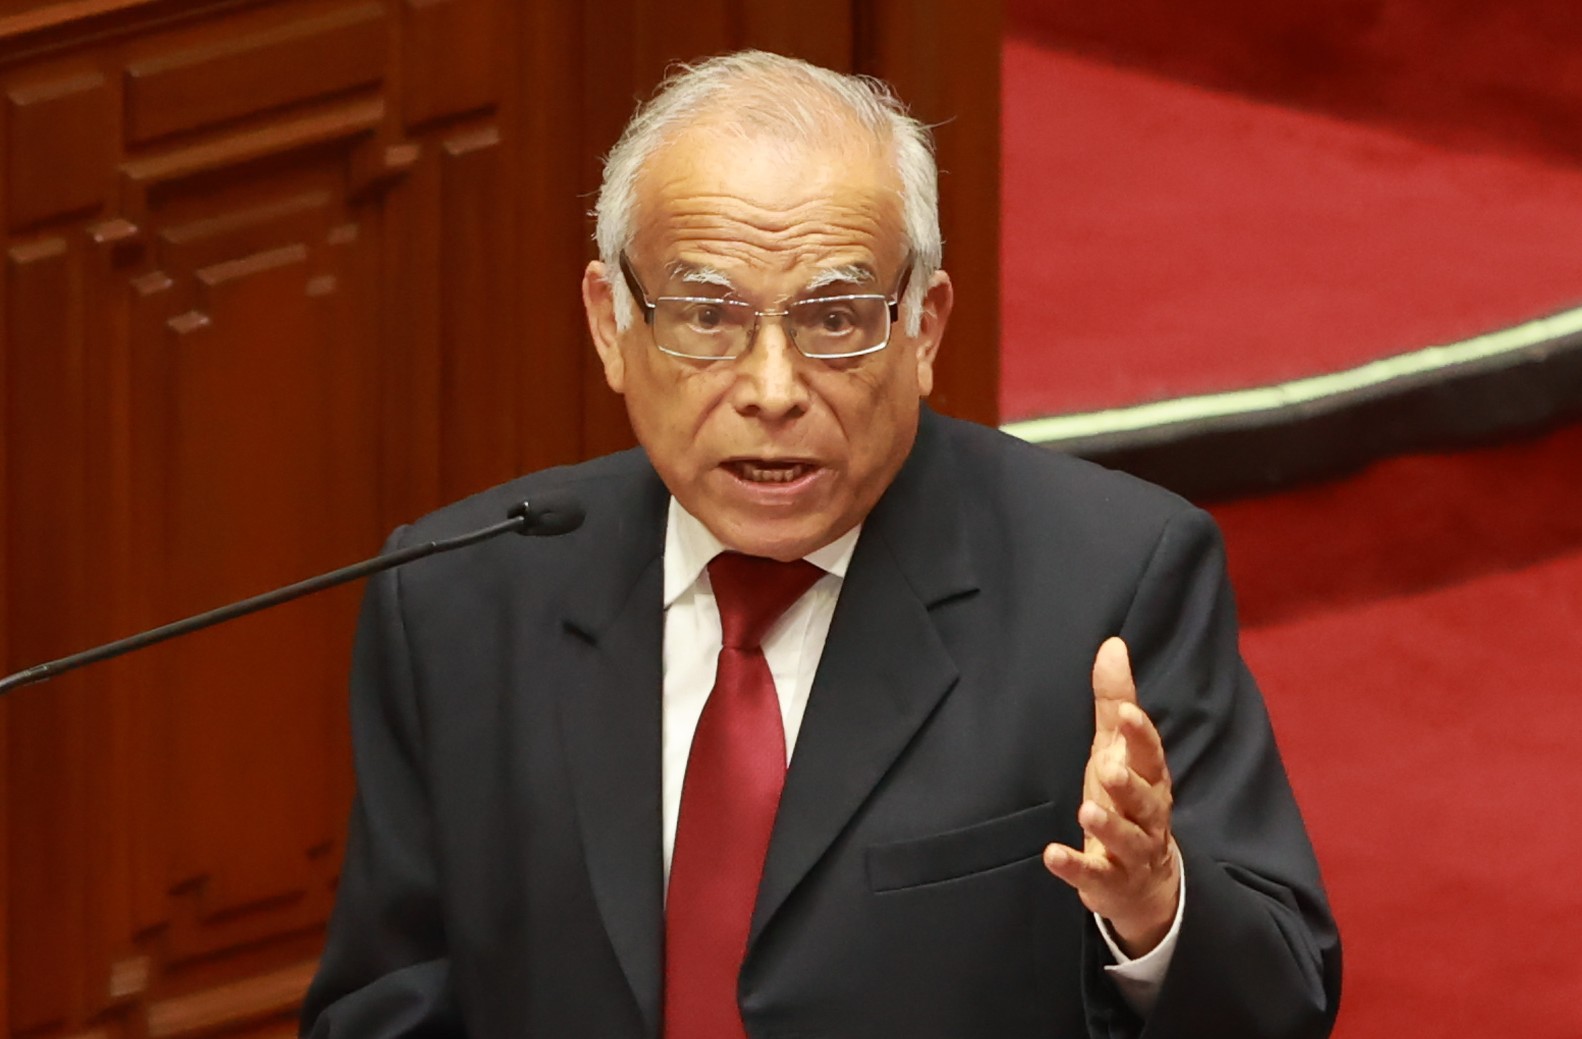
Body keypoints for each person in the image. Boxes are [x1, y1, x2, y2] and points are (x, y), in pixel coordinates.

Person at [301, 50, 1341, 1038]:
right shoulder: (459, 599)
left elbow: (1282, 997)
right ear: (611, 324)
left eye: (835, 319)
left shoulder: (1111, 581)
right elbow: (384, 1004)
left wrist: (1154, 907)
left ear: (924, 329)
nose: (771, 389)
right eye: (706, 316)